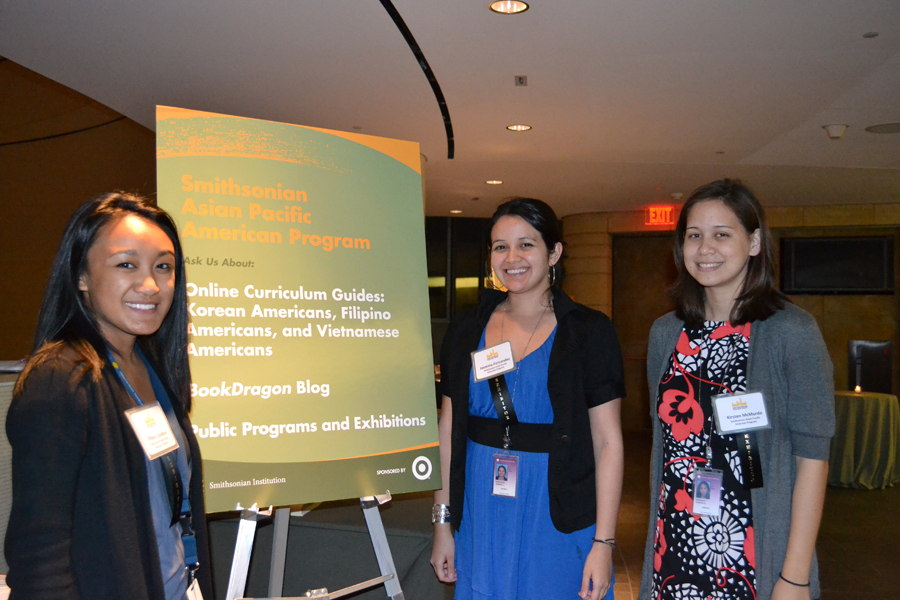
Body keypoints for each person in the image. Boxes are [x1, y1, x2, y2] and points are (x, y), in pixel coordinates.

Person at [5, 193, 213, 600]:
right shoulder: (61, 379)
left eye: (164, 266)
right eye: (126, 264)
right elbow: (39, 556)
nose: (151, 285)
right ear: (81, 276)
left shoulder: (152, 367)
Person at [638, 179, 834, 600]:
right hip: (674, 547)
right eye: (694, 235)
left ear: (754, 243)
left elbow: (813, 460)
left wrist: (795, 577)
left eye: (721, 234)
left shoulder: (791, 332)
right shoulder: (665, 334)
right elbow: (665, 451)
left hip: (751, 554)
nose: (705, 248)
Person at [431, 198, 626, 600]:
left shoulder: (588, 331)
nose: (512, 257)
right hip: (481, 506)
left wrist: (603, 545)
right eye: (500, 246)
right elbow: (447, 430)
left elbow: (608, 443)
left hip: (556, 507)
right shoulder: (468, 328)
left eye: (526, 244)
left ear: (553, 252)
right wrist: (442, 525)